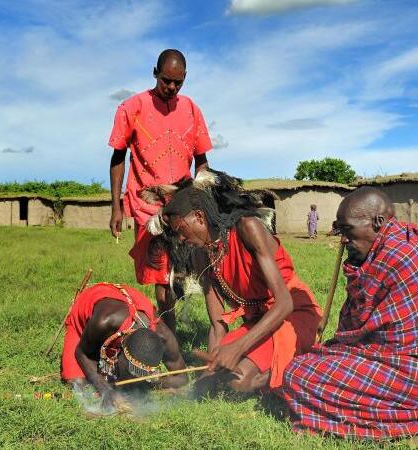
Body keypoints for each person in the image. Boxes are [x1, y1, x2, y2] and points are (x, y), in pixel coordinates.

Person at [282, 187, 418, 440]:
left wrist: (332, 352)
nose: (343, 239)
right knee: (317, 363)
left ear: (378, 222)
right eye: (339, 230)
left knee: (299, 373)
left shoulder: (393, 257)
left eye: (348, 229)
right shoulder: (408, 240)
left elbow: (355, 332)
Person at [145, 169, 321, 393]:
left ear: (199, 217)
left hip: (293, 315)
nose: (180, 238)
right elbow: (218, 324)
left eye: (180, 230)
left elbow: (284, 303)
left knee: (238, 380)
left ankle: (299, 369)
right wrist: (211, 366)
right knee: (218, 376)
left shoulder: (248, 228)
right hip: (261, 322)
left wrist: (237, 348)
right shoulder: (202, 255)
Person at [108, 49, 213, 331]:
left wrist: (202, 198)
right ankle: (170, 338)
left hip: (182, 207)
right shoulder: (132, 108)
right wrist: (116, 206)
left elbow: (202, 161)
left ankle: (165, 324)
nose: (172, 87)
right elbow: (118, 157)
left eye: (178, 82)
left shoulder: (192, 109)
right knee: (160, 274)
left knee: (184, 273)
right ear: (155, 73)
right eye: (166, 80)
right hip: (147, 206)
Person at [61, 282, 188, 412]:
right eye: (132, 370)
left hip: (130, 301)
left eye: (143, 373)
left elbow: (182, 377)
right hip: (89, 309)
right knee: (77, 382)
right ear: (120, 351)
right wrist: (105, 390)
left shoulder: (164, 337)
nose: (136, 378)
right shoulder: (104, 322)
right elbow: (82, 353)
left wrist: (152, 383)